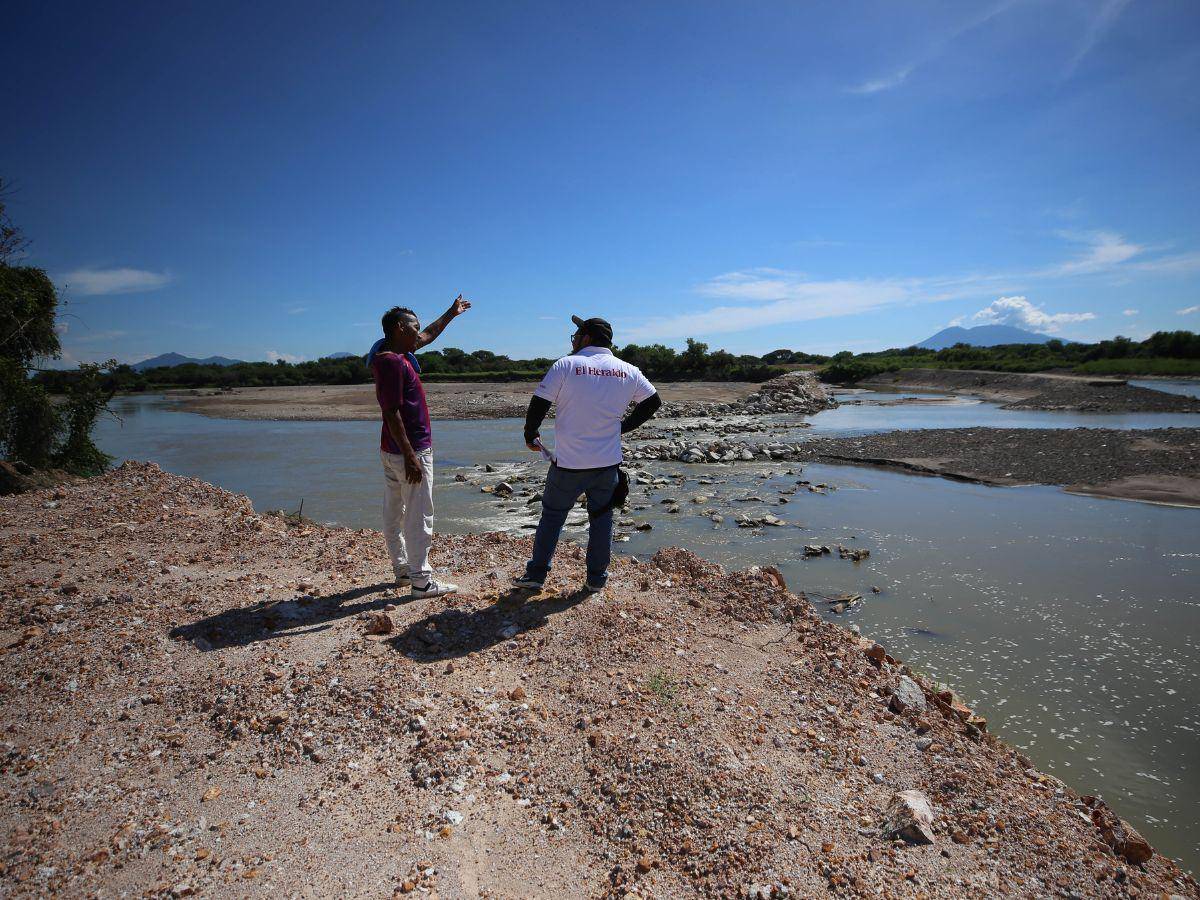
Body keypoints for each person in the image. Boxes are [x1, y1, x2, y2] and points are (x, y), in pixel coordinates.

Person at [515, 315, 661, 593]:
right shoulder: (628, 370)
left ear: (587, 338)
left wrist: (530, 433)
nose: (573, 340)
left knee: (553, 516)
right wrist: (622, 428)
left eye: (576, 335)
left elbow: (540, 403)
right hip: (607, 464)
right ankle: (596, 579)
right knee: (602, 518)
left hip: (568, 464)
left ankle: (536, 575)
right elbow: (653, 401)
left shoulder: (566, 365)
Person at [372, 295, 471, 597]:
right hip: (409, 451)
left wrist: (451, 313)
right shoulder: (391, 363)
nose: (419, 332)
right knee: (419, 515)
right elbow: (391, 411)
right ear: (400, 328)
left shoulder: (388, 353)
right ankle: (421, 581)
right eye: (414, 327)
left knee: (394, 510)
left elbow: (428, 335)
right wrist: (411, 456)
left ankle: (402, 569)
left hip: (392, 451)